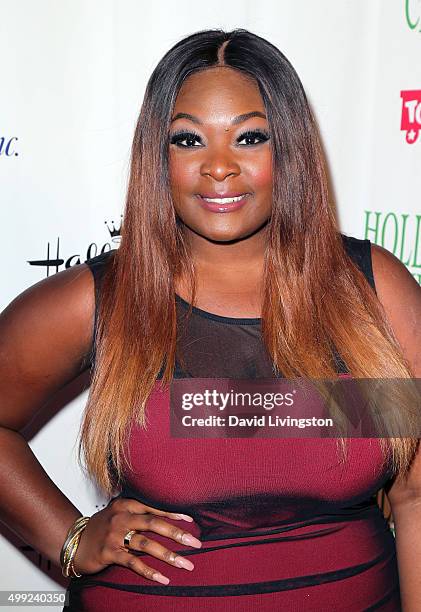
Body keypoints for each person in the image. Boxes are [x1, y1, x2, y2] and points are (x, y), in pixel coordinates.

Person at [0, 28, 420, 612]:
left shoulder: (371, 290)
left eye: (249, 137)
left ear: (290, 150)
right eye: (188, 139)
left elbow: (415, 495)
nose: (219, 167)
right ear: (157, 157)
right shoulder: (102, 299)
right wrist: (69, 538)